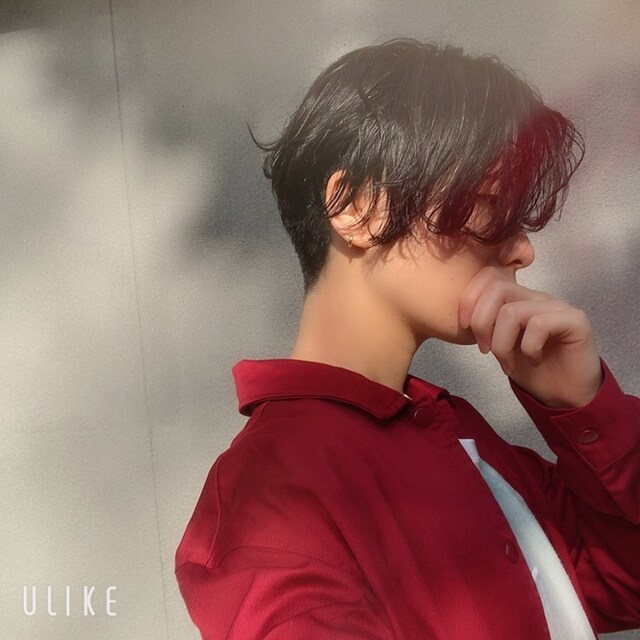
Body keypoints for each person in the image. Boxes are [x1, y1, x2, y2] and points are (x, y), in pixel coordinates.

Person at [174, 37, 640, 639]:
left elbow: (626, 578)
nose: (523, 248)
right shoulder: (270, 493)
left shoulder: (461, 436)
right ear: (358, 208)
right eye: (491, 204)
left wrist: (584, 407)